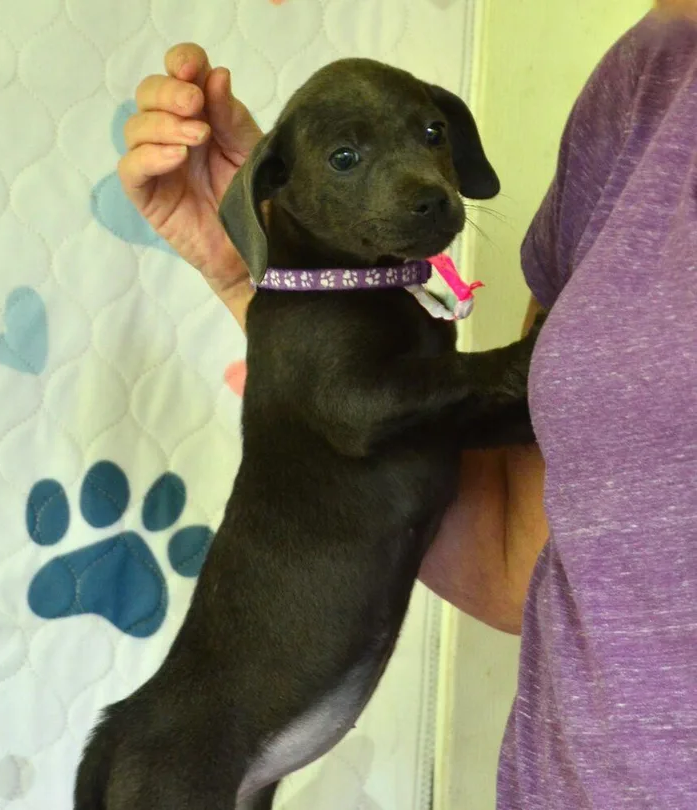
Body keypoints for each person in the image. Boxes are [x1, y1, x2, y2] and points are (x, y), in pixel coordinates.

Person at [118, 2, 697, 807]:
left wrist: (524, 375)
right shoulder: (647, 80)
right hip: (197, 745)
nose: (422, 182)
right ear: (275, 190)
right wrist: (260, 270)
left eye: (430, 137)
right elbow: (502, 546)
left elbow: (434, 411)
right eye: (347, 157)